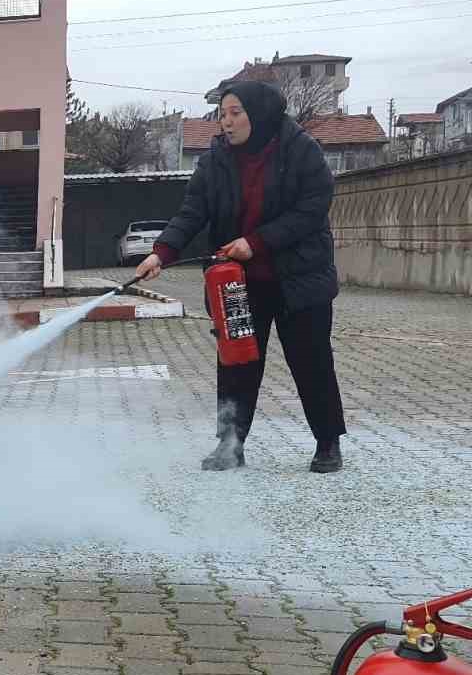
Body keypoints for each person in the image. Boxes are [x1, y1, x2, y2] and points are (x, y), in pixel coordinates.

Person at [133, 80, 346, 473]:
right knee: (236, 362)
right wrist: (161, 252)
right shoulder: (215, 159)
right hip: (237, 281)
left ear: (259, 114)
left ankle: (327, 442)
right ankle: (230, 444)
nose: (226, 123)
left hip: (300, 277)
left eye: (235, 113)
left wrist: (258, 242)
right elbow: (192, 210)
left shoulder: (300, 149)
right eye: (222, 114)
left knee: (311, 361)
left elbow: (313, 207)